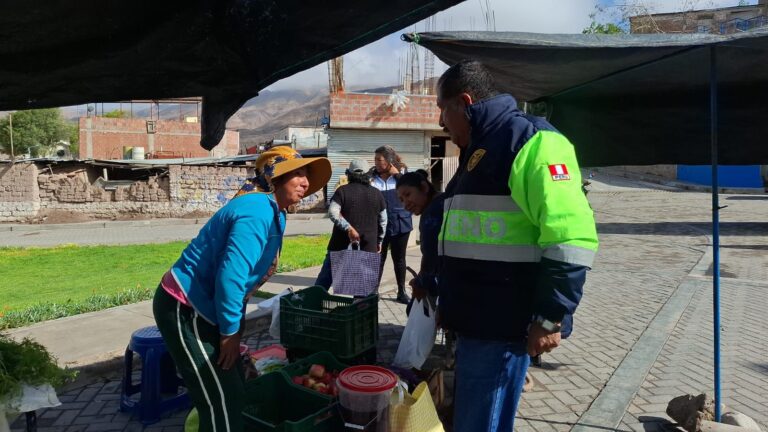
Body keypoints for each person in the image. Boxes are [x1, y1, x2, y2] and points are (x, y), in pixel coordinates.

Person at [435, 60, 598, 432]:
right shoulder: (481, 148)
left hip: (502, 325)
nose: (442, 122)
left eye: (443, 110)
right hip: (477, 318)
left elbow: (570, 238)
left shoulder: (532, 141)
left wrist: (549, 317)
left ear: (464, 102)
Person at [152, 146, 331, 432]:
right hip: (185, 306)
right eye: (296, 174)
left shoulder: (274, 211)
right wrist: (230, 333)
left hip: (209, 307)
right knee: (222, 399)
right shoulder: (257, 211)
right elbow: (231, 278)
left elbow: (242, 279)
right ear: (275, 179)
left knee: (233, 384)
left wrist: (233, 327)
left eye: (306, 174)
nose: (305, 182)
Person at [315, 159, 387, 290]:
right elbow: (383, 221)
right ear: (368, 174)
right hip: (369, 245)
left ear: (348, 174)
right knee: (365, 288)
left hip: (340, 244)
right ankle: (361, 309)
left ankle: (313, 305)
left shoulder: (342, 191)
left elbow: (333, 212)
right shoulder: (377, 194)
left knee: (324, 282)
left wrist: (348, 228)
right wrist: (379, 241)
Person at [395, 169, 443, 312]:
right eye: (402, 200)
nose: (405, 204)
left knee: (413, 310)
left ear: (424, 188)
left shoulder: (432, 212)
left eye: (408, 194)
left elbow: (431, 254)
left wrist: (422, 283)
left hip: (448, 283)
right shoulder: (442, 201)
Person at [372, 145, 413, 304]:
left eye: (379, 159)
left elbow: (412, 190)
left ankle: (401, 292)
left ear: (389, 161)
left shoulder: (403, 174)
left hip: (400, 223)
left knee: (399, 259)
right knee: (378, 259)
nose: (375, 162)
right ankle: (373, 292)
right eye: (374, 159)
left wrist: (397, 176)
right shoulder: (372, 177)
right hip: (379, 226)